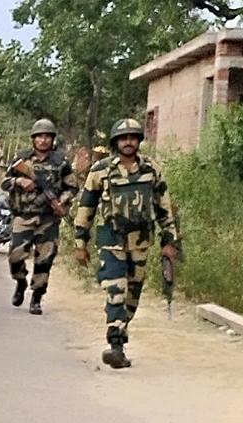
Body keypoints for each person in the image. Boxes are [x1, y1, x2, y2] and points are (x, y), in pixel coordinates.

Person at [73, 118, 180, 369]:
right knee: (116, 290)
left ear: (139, 141)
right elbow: (86, 205)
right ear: (116, 142)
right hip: (111, 241)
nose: (128, 142)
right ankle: (115, 345)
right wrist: (80, 242)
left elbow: (164, 207)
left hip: (140, 242)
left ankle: (120, 336)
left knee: (132, 296)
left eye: (132, 137)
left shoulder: (151, 169)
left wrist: (169, 241)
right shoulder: (101, 170)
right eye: (123, 138)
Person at [2, 118, 80, 315]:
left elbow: (72, 186)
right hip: (23, 216)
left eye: (47, 137)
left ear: (52, 139)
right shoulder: (22, 158)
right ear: (33, 139)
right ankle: (20, 281)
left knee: (44, 260)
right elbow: (4, 182)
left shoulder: (61, 162)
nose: (43, 140)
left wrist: (61, 201)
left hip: (48, 219)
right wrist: (19, 181)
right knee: (15, 256)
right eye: (40, 136)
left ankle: (36, 298)